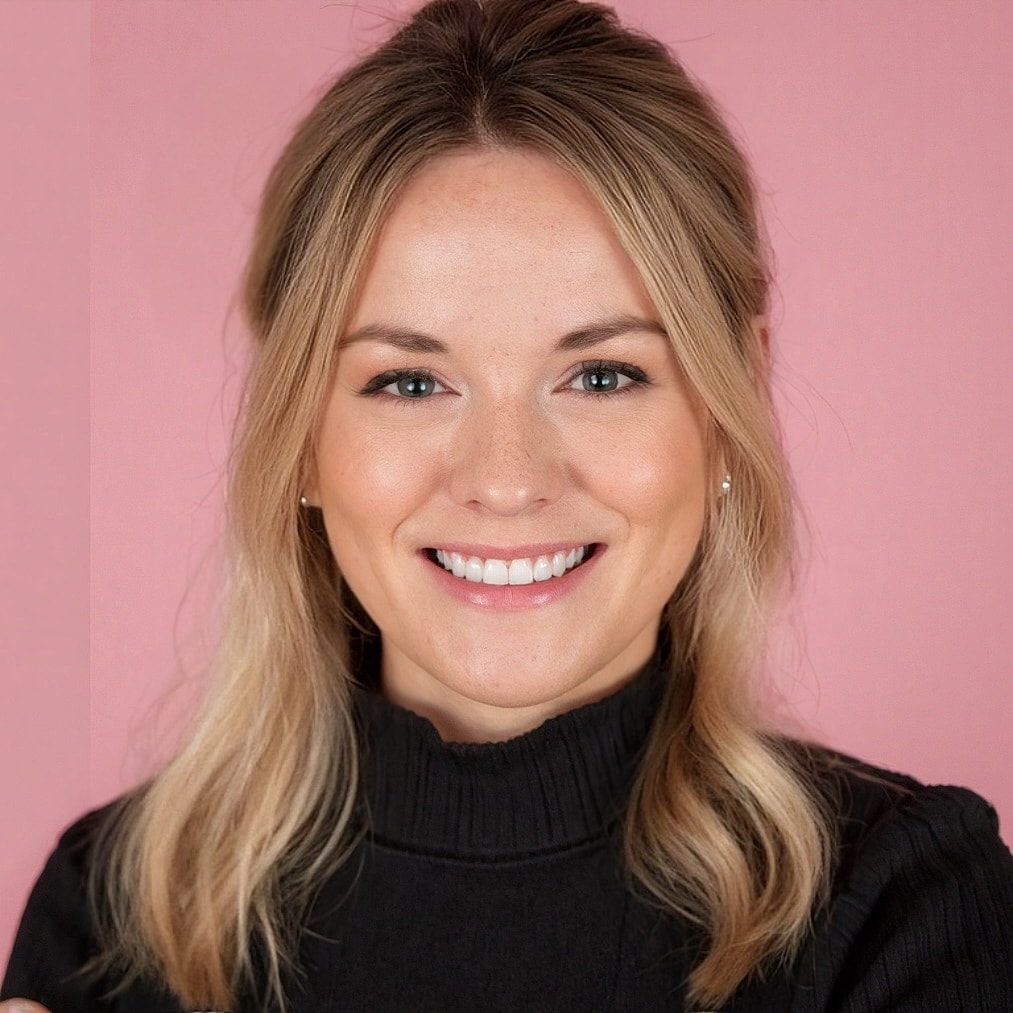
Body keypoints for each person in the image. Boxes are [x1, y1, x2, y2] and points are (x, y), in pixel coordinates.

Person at [3, 0, 1012, 1010]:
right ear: (298, 433)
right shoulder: (110, 914)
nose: (504, 477)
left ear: (728, 401)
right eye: (407, 381)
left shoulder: (899, 901)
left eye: (602, 375)